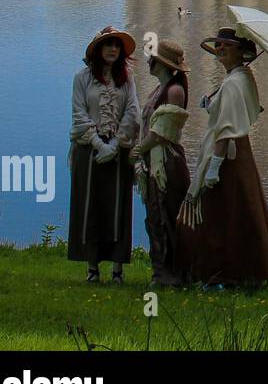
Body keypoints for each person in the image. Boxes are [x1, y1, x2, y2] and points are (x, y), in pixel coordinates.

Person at [177, 28, 268, 286]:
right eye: (219, 45)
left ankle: (223, 275)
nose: (221, 49)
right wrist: (212, 105)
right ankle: (248, 271)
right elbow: (236, 113)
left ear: (240, 51)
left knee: (220, 214)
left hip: (228, 155)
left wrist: (214, 166)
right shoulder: (240, 77)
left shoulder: (235, 81)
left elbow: (227, 129)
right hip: (239, 153)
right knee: (242, 210)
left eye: (227, 45)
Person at [69, 26, 140, 283]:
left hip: (119, 150)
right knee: (91, 207)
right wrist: (99, 144)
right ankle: (92, 269)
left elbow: (133, 112)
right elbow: (79, 113)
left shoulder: (127, 79)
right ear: (98, 49)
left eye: (116, 45)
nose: (113, 49)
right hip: (89, 149)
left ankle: (118, 270)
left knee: (118, 207)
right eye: (108, 44)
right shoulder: (82, 78)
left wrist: (117, 143)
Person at [130, 38, 191, 286]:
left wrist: (136, 151)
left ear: (162, 64)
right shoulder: (160, 89)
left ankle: (173, 274)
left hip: (166, 163)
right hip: (154, 162)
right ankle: (161, 272)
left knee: (167, 215)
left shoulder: (174, 91)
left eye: (152, 59)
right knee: (155, 216)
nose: (148, 63)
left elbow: (161, 133)